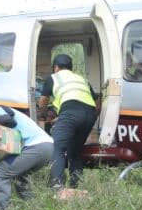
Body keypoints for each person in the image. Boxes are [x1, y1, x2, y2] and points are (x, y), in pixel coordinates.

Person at [37, 53, 98, 188]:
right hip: (89, 114)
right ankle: (75, 185)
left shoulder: (54, 78)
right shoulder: (82, 79)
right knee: (75, 151)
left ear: (56, 67)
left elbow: (42, 102)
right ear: (71, 67)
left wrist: (44, 115)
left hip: (71, 113)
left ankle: (57, 185)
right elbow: (95, 100)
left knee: (57, 147)